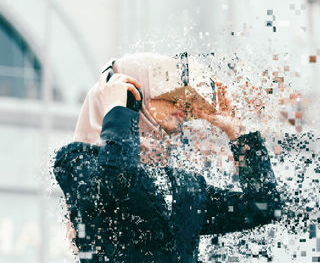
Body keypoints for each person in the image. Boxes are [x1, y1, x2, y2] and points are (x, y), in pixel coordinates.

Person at [53, 52, 282, 262]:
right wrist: (120, 110)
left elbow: (264, 206)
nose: (182, 110)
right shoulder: (76, 161)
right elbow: (118, 183)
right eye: (172, 99)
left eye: (187, 103)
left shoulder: (185, 185)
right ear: (135, 95)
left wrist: (238, 134)